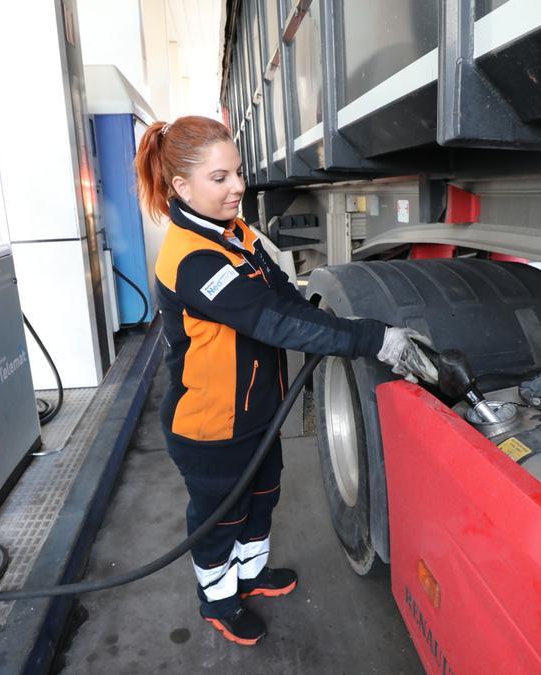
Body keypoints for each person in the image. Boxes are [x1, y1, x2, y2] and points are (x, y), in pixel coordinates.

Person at [134, 115, 437, 646]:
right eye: (220, 178)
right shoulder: (191, 259)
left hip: (256, 410)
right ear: (182, 187)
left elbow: (286, 300)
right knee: (219, 516)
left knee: (262, 495)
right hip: (211, 424)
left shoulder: (237, 235)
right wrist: (372, 338)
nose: (238, 188)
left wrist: (336, 327)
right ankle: (219, 599)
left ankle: (251, 575)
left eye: (238, 173)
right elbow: (273, 321)